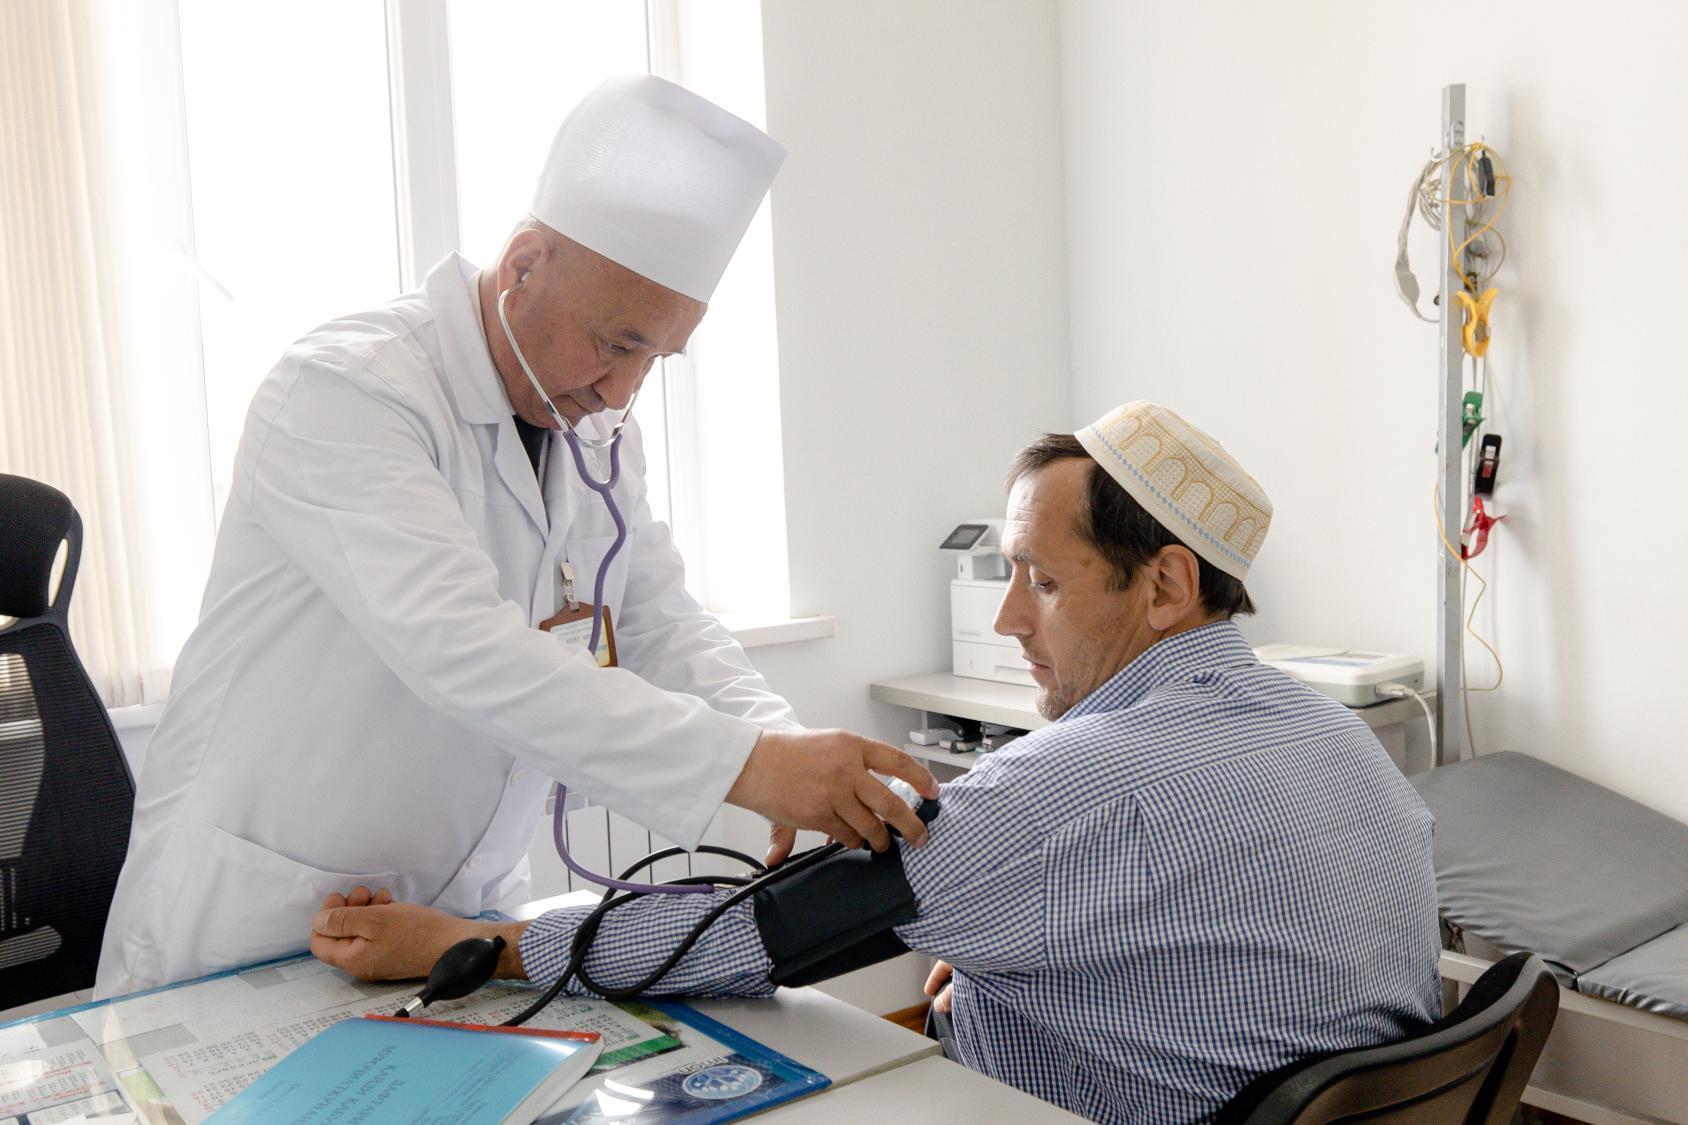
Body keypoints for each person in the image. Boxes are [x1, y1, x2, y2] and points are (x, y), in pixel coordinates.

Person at [310, 402, 1443, 1123]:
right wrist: (1022, 973)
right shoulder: (1339, 740)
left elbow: (752, 935)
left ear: (1165, 586)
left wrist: (468, 942)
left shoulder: (1070, 785)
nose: (1007, 622)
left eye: (1040, 582)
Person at [95, 75, 936, 998]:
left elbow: (659, 619)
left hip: (456, 918)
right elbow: (465, 650)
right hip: (261, 916)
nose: (623, 390)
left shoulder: (593, 428)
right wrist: (752, 768)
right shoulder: (348, 390)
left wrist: (789, 743)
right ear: (525, 262)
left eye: (656, 357)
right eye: (615, 343)